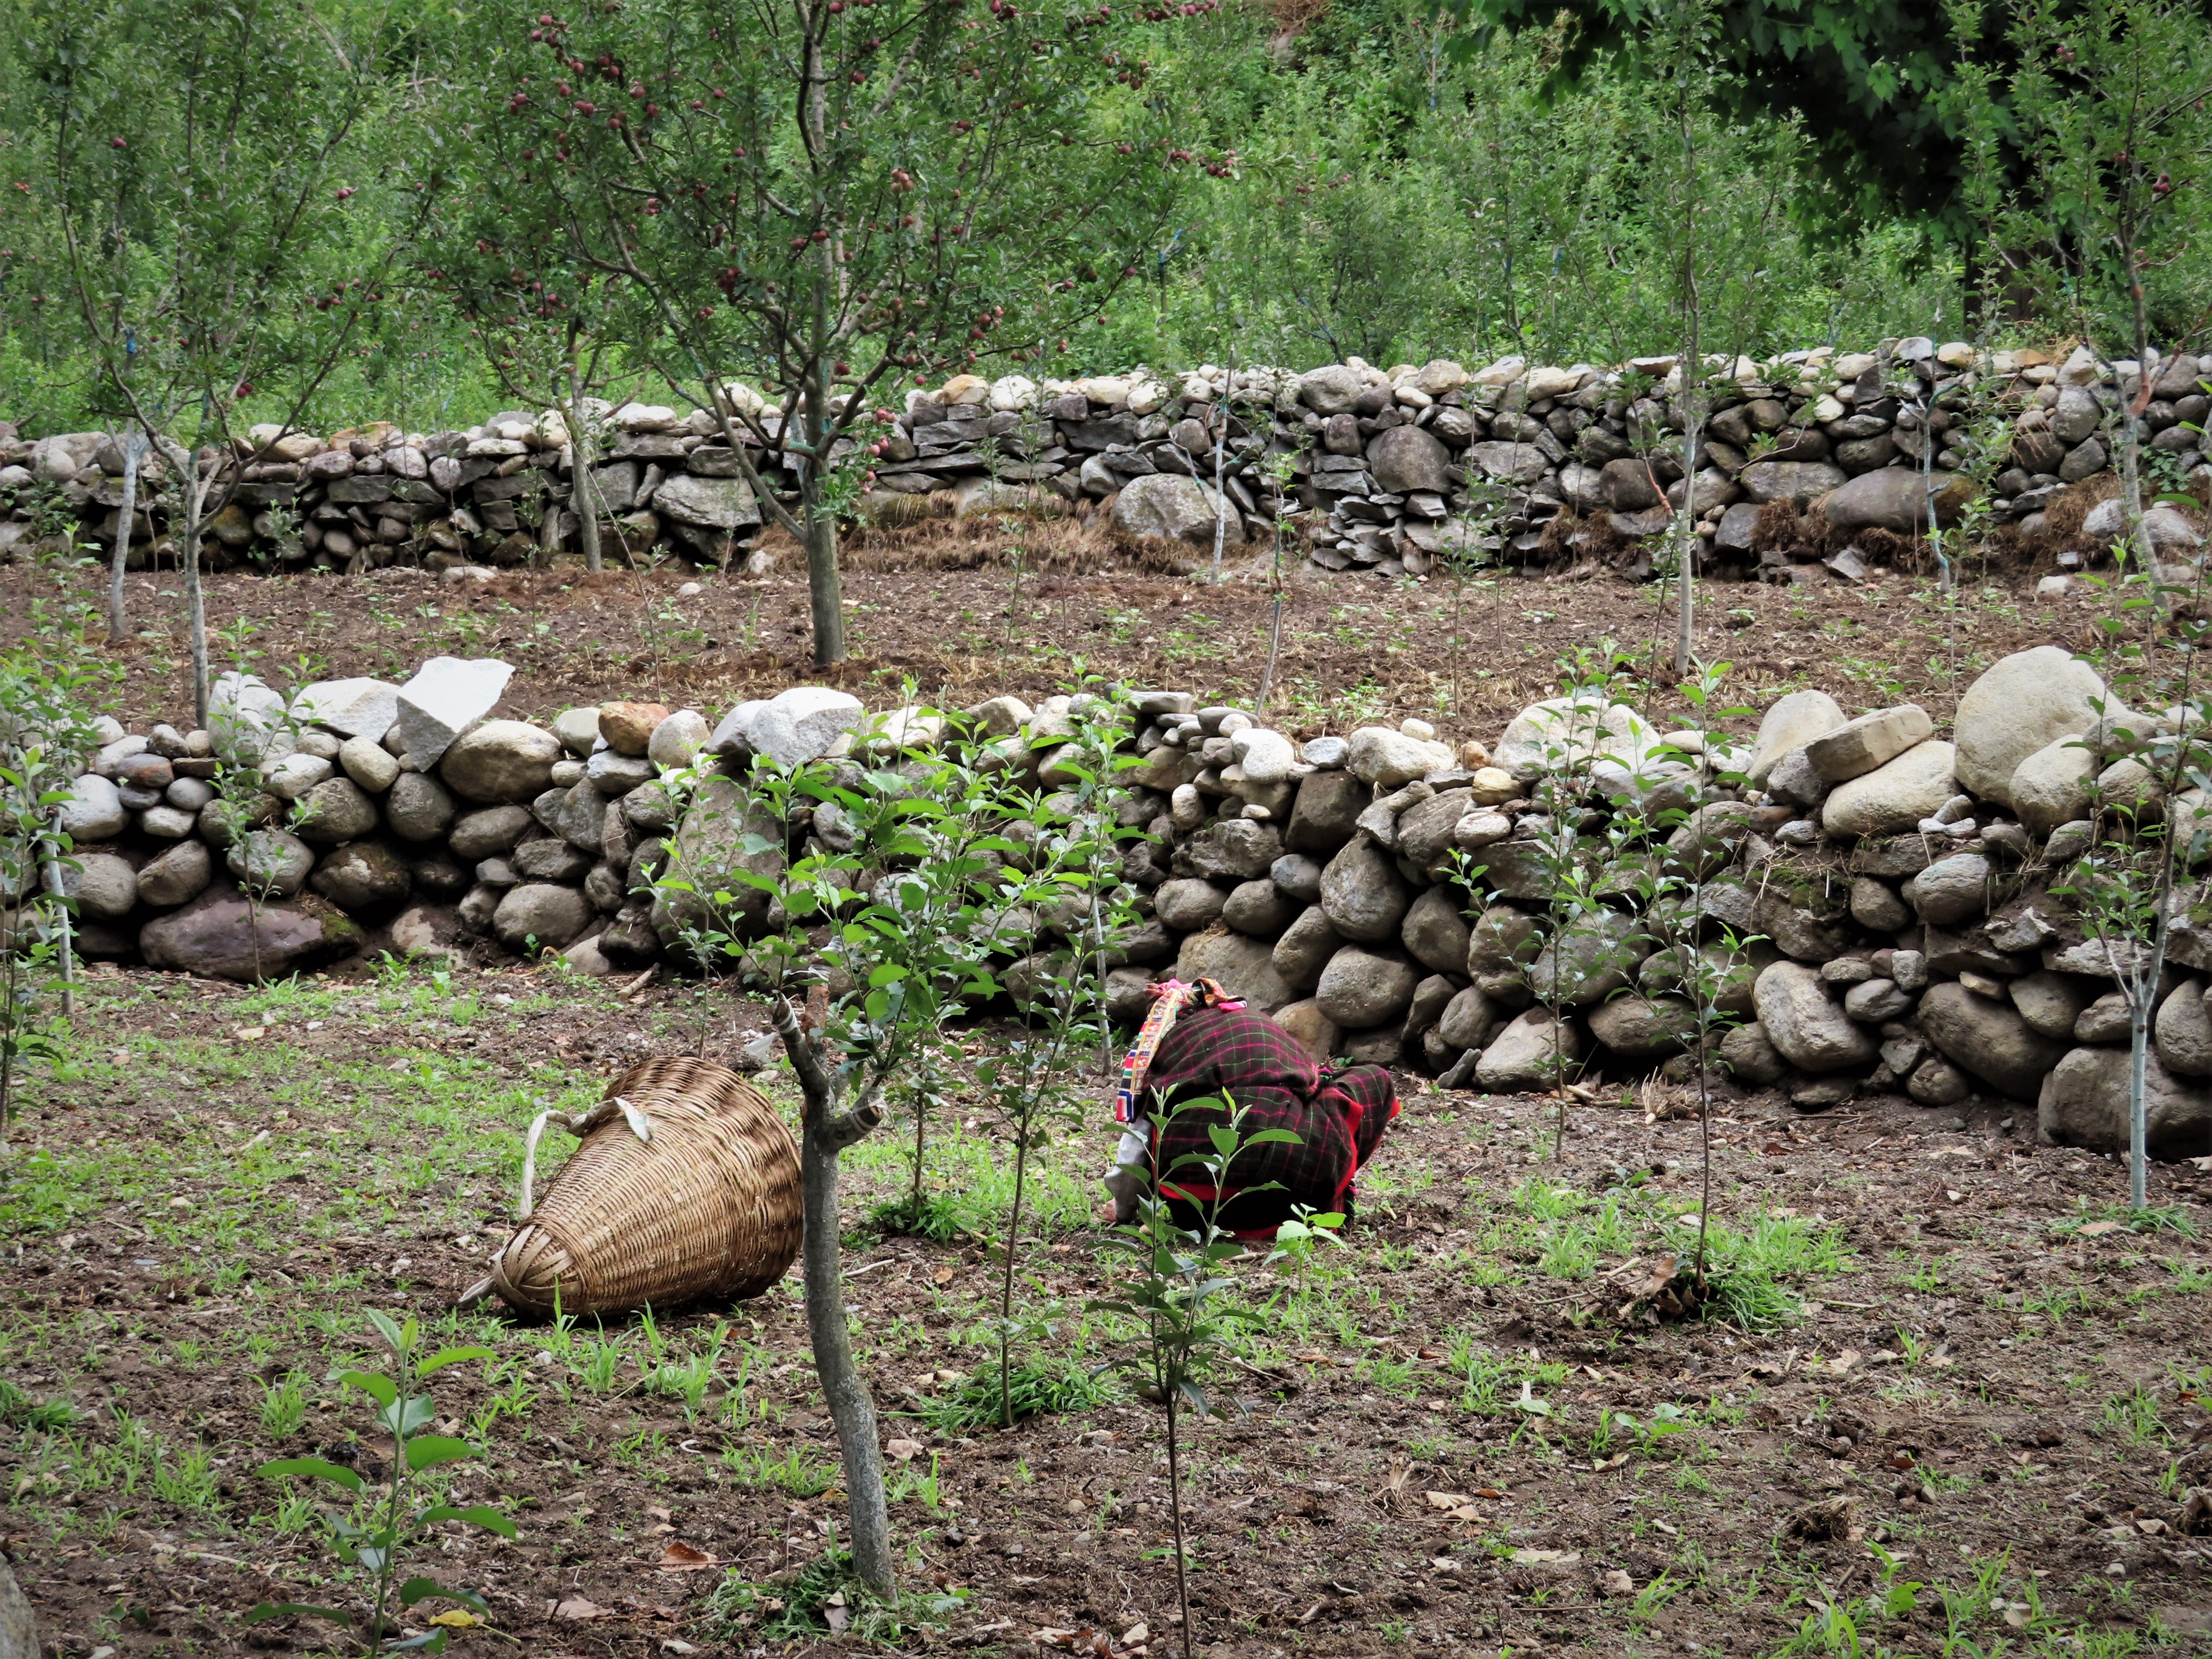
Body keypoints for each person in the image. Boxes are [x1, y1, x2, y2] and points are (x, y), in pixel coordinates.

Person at [1101, 978, 1399, 1237]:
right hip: (1298, 1186)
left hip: (1200, 1212)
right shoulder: (1256, 1022)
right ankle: (1326, 1203)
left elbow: (1136, 1145)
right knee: (1371, 1080)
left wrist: (1123, 1209)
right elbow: (1309, 1083)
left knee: (1162, 1116)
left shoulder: (1165, 1048)